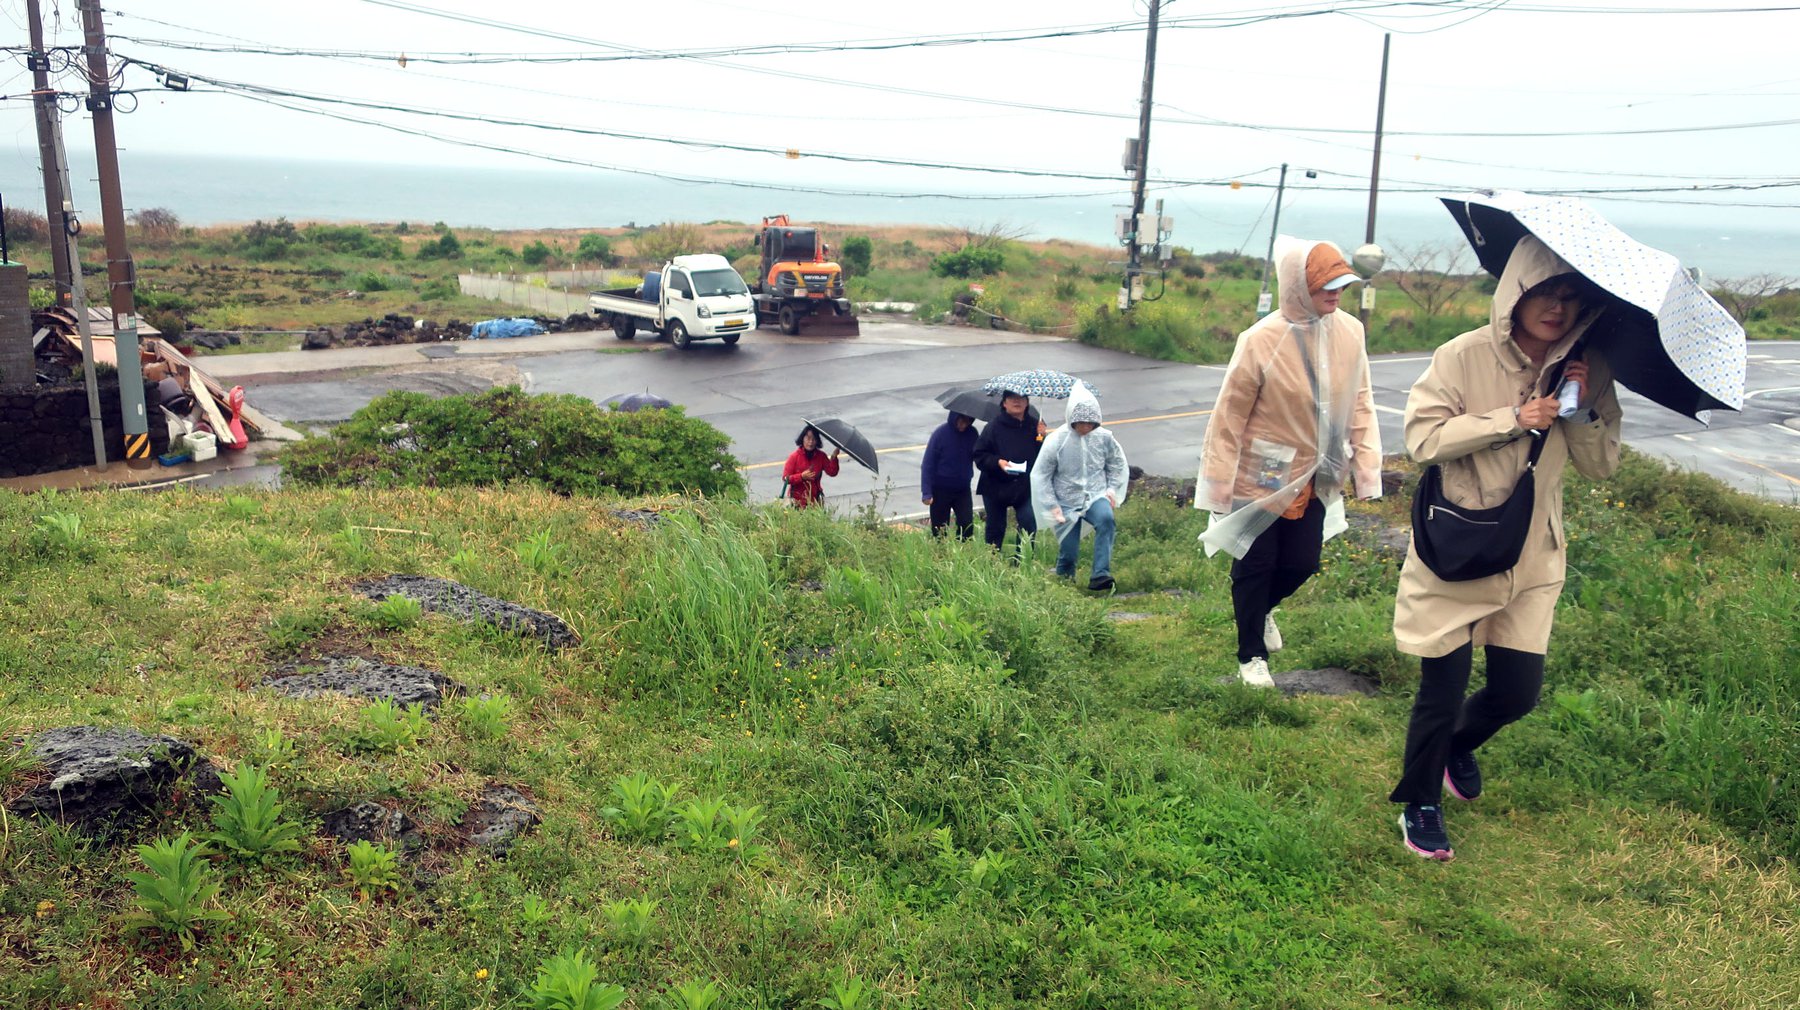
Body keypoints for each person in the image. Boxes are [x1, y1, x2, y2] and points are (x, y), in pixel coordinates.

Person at [1389, 235, 1621, 861]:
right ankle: (1421, 804)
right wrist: (1514, 420)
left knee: (1518, 692)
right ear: (1516, 292)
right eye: (1545, 290)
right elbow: (1422, 439)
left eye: (1572, 296)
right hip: (1459, 544)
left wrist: (1581, 411)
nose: (1558, 306)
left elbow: (1603, 467)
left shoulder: (1590, 370)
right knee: (1443, 684)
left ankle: (1456, 747)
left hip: (1533, 555)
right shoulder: (1462, 356)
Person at [1198, 237, 1384, 689]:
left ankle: (1261, 610)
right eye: (1326, 286)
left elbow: (1361, 400)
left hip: (1316, 472)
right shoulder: (1260, 340)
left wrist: (1367, 464)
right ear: (1298, 286)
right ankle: (1251, 657)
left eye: (1342, 285)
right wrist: (1218, 482)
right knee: (1256, 561)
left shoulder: (1350, 332)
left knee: (1302, 562)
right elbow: (1229, 415)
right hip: (1260, 472)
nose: (1336, 294)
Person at [1032, 384, 1128, 591]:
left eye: (1090, 423)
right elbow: (1041, 475)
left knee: (1106, 521)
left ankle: (1100, 574)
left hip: (1095, 494)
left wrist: (1111, 490)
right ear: (1072, 420)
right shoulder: (1057, 440)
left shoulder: (1104, 437)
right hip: (1064, 501)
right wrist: (1051, 505)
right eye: (1081, 423)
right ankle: (1065, 581)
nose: (1085, 427)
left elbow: (1117, 464)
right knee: (1069, 550)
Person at [972, 391, 1044, 558]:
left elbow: (1043, 457)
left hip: (1023, 486)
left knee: (1028, 522)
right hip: (995, 486)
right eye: (1012, 399)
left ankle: (1022, 562)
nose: (1017, 402)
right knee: (995, 528)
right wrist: (998, 462)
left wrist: (1042, 437)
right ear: (1004, 403)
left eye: (1021, 398)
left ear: (1027, 403)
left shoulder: (1035, 426)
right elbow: (979, 455)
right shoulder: (993, 427)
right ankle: (992, 563)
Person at [921, 411, 978, 539]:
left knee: (966, 524)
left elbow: (978, 455)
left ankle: (964, 553)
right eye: (962, 421)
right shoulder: (940, 434)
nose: (964, 425)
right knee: (939, 529)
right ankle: (941, 554)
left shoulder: (972, 434)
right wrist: (926, 492)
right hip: (940, 489)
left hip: (962, 489)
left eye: (968, 422)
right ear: (955, 417)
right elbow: (928, 464)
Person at [782, 425, 841, 509]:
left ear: (817, 441)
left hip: (815, 501)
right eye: (808, 438)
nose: (811, 442)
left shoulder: (821, 456)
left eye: (814, 439)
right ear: (802, 439)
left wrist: (834, 458)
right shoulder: (794, 457)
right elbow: (785, 478)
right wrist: (801, 477)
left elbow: (832, 472)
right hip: (796, 502)